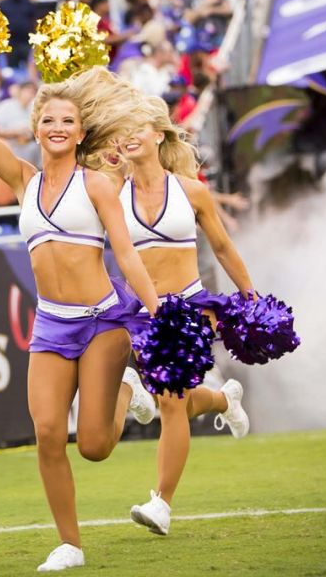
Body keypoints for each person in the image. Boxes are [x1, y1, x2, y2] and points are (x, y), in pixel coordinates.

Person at [0, 65, 160, 571]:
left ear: (80, 132)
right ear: (35, 128)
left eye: (67, 120)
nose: (57, 127)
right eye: (48, 118)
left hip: (101, 322)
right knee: (48, 432)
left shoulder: (96, 184)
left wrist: (158, 310)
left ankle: (123, 389)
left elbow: (127, 255)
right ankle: (70, 543)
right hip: (51, 324)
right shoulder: (22, 180)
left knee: (93, 446)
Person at [114, 95, 253, 536]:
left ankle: (162, 503)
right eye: (124, 129)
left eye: (139, 127)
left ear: (159, 135)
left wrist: (249, 296)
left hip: (188, 308)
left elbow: (224, 247)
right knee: (171, 401)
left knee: (171, 405)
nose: (130, 136)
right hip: (140, 313)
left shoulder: (191, 191)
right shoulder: (111, 194)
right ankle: (223, 399)